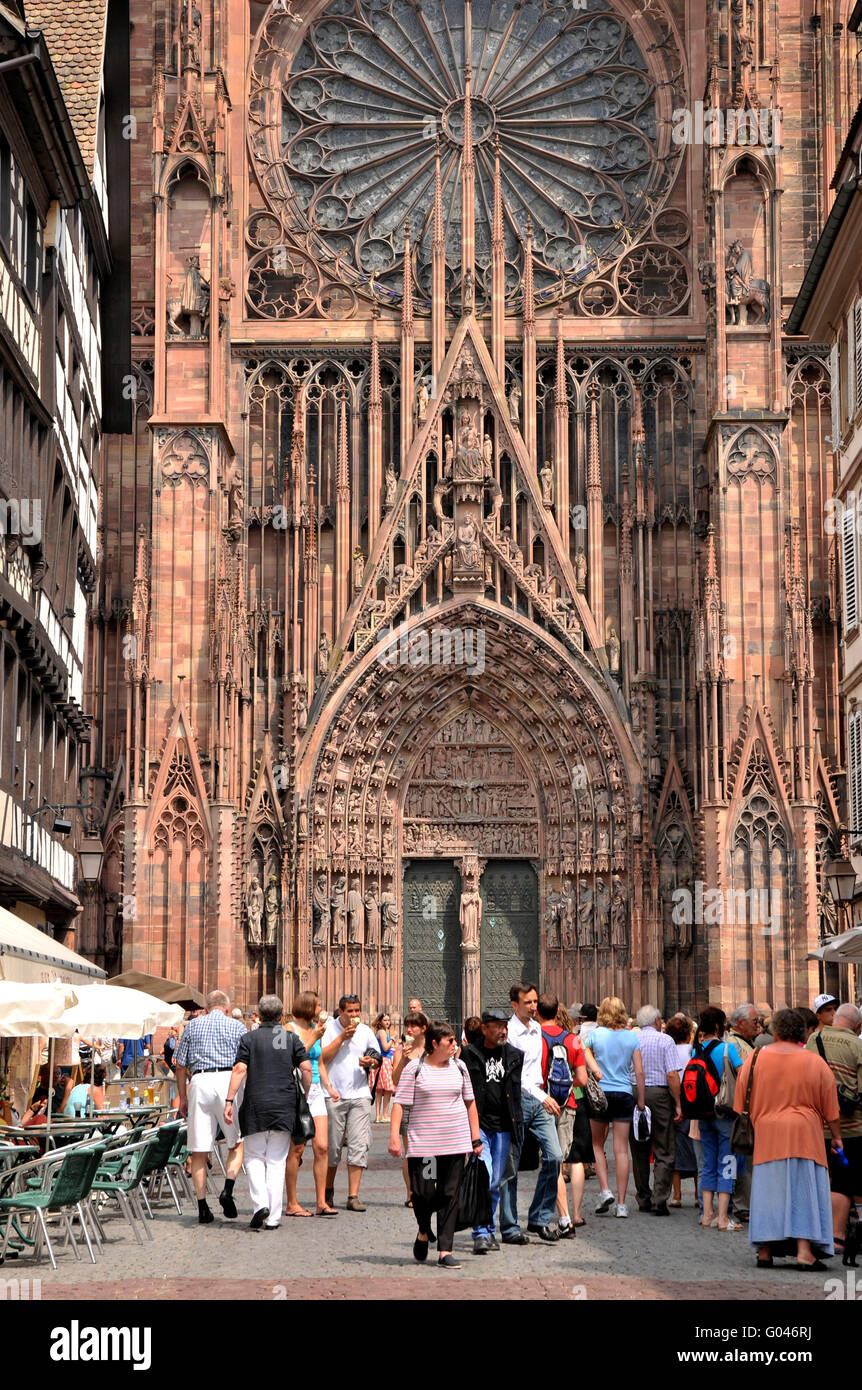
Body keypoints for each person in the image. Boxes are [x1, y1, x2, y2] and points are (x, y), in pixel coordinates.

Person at [735, 1007, 842, 1269]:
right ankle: (804, 1251)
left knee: (768, 1193)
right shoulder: (815, 1062)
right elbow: (831, 1106)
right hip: (805, 1134)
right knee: (803, 1192)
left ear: (776, 1031)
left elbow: (740, 1104)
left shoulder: (756, 1059)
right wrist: (837, 1137)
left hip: (768, 1134)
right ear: (803, 1033)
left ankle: (765, 1250)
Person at [390, 1021, 483, 1268]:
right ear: (435, 1043)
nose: (455, 1044)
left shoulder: (460, 1067)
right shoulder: (415, 1069)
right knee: (424, 1193)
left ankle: (445, 1250)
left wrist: (475, 1138)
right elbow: (399, 1103)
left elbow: (470, 1103)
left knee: (450, 1195)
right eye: (450, 1041)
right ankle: (423, 1230)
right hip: (426, 1147)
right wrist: (393, 1138)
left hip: (455, 1144)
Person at [224, 995, 312, 1231]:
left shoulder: (249, 1038)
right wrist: (305, 1091)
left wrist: (229, 1100)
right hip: (284, 1105)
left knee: (253, 1157)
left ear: (260, 1015)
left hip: (256, 1105)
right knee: (275, 1161)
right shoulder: (291, 1038)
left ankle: (260, 1204)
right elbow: (305, 1067)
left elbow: (240, 1069)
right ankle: (273, 1217)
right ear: (281, 1015)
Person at [174, 989, 248, 1224]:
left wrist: (183, 1097)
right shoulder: (237, 1027)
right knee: (236, 1143)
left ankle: (202, 1207)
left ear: (206, 1009)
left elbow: (179, 1064)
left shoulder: (193, 1026)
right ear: (226, 1008)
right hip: (228, 1082)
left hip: (199, 1081)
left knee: (198, 1149)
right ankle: (227, 1188)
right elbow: (244, 1063)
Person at [500, 981, 563, 1243]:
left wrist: (545, 1092)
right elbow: (515, 1076)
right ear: (515, 1005)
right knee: (510, 1166)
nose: (534, 1006)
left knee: (555, 1156)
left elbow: (536, 1070)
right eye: (528, 1002)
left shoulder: (537, 1029)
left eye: (536, 1001)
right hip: (518, 1101)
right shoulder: (509, 1034)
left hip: (539, 1099)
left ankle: (538, 1217)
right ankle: (510, 1226)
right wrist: (543, 1095)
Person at [460, 1006, 524, 1253]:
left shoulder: (515, 1055)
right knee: (484, 1178)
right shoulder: (469, 1055)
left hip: (504, 1127)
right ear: (484, 1029)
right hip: (480, 1127)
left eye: (504, 1026)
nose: (502, 1030)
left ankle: (488, 1228)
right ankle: (480, 1232)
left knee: (495, 1182)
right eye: (497, 1026)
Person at [806, 1001, 862, 1253]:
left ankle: (816, 1232)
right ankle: (837, 1236)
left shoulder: (813, 1039)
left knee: (819, 1178)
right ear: (857, 1025)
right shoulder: (858, 1045)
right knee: (844, 1181)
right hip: (851, 1128)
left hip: (817, 1125)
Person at [583, 996, 645, 1218]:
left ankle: (604, 1190)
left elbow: (584, 1051)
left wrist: (596, 1069)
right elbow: (638, 1071)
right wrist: (641, 1100)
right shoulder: (631, 1037)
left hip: (600, 1093)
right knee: (621, 1149)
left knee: (597, 1145)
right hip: (624, 1093)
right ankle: (621, 1204)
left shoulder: (596, 1034)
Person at [321, 995, 381, 1211]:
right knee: (332, 1148)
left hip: (360, 1094)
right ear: (340, 1011)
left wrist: (371, 1061)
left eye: (357, 1011)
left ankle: (353, 1196)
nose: (355, 1015)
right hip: (333, 1095)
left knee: (358, 1145)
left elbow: (376, 1054)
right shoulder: (328, 1029)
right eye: (350, 1011)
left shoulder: (365, 1031)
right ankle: (327, 1191)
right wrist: (342, 1039)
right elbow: (323, 1059)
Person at [535, 994, 588, 1237]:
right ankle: (564, 1216)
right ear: (558, 1013)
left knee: (551, 1162)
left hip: (541, 1104)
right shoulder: (573, 1040)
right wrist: (565, 1085)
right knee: (560, 1160)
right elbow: (583, 1080)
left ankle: (564, 1217)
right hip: (568, 1105)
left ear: (537, 1012)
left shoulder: (534, 1040)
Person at [284, 991, 339, 1217]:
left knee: (323, 1147)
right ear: (307, 1006)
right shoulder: (289, 1029)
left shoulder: (316, 1028)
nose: (320, 1009)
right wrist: (314, 1037)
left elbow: (320, 1062)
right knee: (297, 1148)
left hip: (315, 1089)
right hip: (297, 1089)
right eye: (317, 1005)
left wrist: (329, 1086)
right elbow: (291, 1057)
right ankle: (292, 1203)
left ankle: (321, 1202)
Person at [693, 1005, 744, 1231]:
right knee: (728, 1162)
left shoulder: (697, 1050)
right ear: (718, 1026)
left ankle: (707, 1214)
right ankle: (723, 1218)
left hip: (703, 1113)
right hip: (725, 1112)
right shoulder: (727, 1049)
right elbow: (742, 1077)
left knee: (708, 1163)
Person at [629, 1006, 682, 1216]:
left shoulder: (633, 1040)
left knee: (639, 1147)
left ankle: (643, 1197)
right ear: (658, 1021)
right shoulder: (665, 1040)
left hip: (635, 1093)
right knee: (664, 1147)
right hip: (659, 1095)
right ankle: (660, 1199)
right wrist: (678, 1102)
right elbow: (671, 1075)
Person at [391, 1008, 429, 1205]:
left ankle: (429, 1188)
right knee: (411, 1152)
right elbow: (395, 1080)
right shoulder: (401, 1049)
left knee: (429, 1152)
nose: (410, 1029)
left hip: (428, 1106)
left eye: (414, 1025)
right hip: (408, 1105)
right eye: (407, 1025)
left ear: (424, 1028)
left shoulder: (432, 1050)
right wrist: (404, 1059)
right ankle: (411, 1192)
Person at [665, 1014, 698, 1208]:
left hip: (672, 1102)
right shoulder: (693, 1051)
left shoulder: (668, 1050)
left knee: (674, 1148)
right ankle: (696, 1195)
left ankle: (676, 1196)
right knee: (695, 1146)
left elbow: (668, 1076)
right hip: (692, 1102)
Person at [372, 1011, 396, 1123]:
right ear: (380, 1022)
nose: (387, 1022)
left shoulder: (381, 1032)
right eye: (385, 1020)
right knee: (387, 1090)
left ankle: (378, 1115)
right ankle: (385, 1115)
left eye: (388, 1020)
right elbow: (386, 1048)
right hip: (384, 1061)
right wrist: (393, 1039)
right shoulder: (382, 1032)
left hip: (381, 1061)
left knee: (380, 1090)